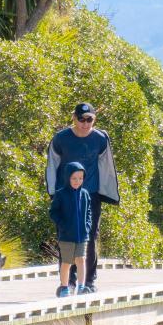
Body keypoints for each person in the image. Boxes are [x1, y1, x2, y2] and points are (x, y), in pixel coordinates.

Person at [46, 102, 120, 291]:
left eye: (90, 120)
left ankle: (88, 281)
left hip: (90, 195)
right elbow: (52, 165)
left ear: (94, 120)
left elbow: (107, 166)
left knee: (90, 236)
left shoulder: (100, 139)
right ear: (74, 118)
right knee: (66, 236)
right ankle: (67, 282)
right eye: (81, 119)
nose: (85, 124)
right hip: (66, 195)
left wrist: (109, 192)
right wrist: (53, 193)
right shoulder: (61, 138)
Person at [48, 162, 93, 297]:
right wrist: (63, 225)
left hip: (82, 236)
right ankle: (64, 287)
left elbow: (89, 212)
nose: (77, 181)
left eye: (80, 178)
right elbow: (53, 212)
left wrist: (87, 226)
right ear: (67, 177)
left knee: (81, 259)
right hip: (67, 236)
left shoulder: (85, 194)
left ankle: (81, 286)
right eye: (74, 178)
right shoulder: (61, 194)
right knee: (67, 262)